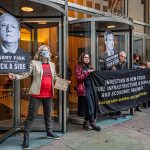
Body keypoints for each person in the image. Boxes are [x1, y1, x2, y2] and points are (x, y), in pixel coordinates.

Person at [8, 45, 60, 150]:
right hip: (36, 94)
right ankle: (26, 139)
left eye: (47, 50)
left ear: (49, 53)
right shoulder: (34, 63)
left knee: (48, 115)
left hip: (48, 94)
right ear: (40, 53)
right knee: (31, 117)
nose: (45, 52)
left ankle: (49, 132)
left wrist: (63, 83)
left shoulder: (52, 64)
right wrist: (15, 76)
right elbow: (26, 74)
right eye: (43, 50)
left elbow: (54, 77)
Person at [75, 52, 101, 132]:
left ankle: (85, 123)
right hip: (84, 88)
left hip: (91, 88)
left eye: (88, 57)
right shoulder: (78, 66)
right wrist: (87, 72)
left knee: (90, 106)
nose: (87, 59)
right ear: (82, 58)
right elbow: (78, 78)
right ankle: (92, 124)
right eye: (85, 57)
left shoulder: (90, 66)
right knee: (90, 106)